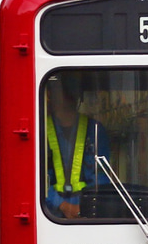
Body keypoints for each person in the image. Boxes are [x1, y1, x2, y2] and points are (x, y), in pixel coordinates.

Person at [45, 74, 109, 219]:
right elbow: (35, 177)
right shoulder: (39, 128)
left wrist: (86, 207)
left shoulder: (95, 130)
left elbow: (101, 178)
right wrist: (62, 205)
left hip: (87, 214)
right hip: (48, 214)